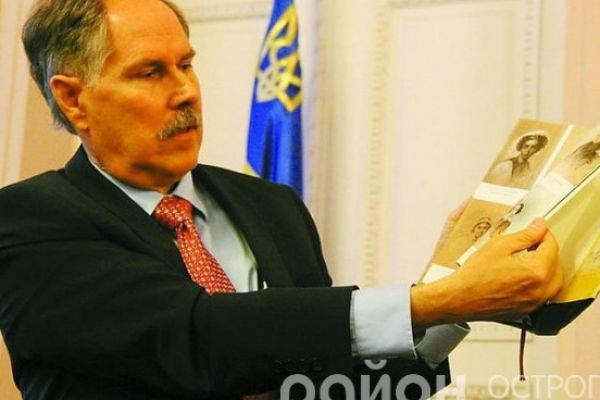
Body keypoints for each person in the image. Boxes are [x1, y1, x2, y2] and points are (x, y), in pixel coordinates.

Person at [0, 0, 562, 399]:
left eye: (186, 64)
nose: (186, 91)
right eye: (150, 73)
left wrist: (455, 300)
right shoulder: (28, 221)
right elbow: (201, 337)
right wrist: (432, 301)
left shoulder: (270, 206)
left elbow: (332, 383)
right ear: (73, 99)